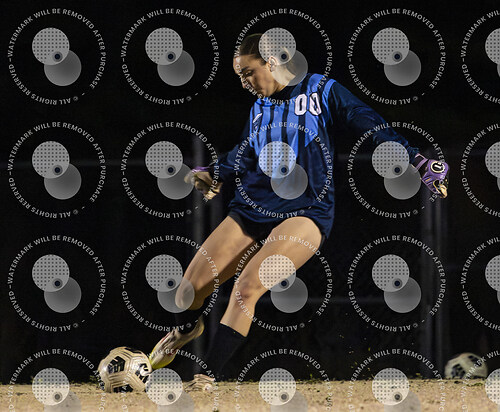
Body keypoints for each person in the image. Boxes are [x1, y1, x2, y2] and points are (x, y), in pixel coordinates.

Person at [148, 33, 449, 389]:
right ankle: (186, 328)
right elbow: (247, 151)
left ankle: (206, 376)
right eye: (240, 76)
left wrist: (414, 158)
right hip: (252, 208)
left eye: (248, 73)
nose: (244, 83)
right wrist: (215, 171)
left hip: (305, 212)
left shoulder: (320, 90)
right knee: (187, 291)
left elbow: (366, 120)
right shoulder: (259, 106)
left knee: (247, 287)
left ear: (272, 62)